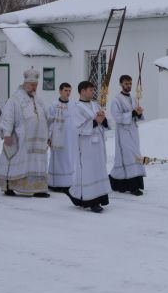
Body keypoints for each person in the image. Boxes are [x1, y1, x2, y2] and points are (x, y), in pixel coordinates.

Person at [0, 67, 50, 198]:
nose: (34, 87)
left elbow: (45, 117)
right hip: (20, 138)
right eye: (32, 85)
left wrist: (48, 135)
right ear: (25, 84)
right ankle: (10, 186)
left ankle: (38, 189)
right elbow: (8, 116)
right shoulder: (15, 99)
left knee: (37, 161)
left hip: (38, 139)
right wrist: (7, 134)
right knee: (16, 160)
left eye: (36, 85)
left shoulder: (39, 100)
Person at [66, 81, 112, 213]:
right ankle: (91, 201)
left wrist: (103, 119)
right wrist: (95, 121)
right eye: (90, 90)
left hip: (98, 144)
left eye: (93, 90)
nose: (93, 92)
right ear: (82, 91)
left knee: (98, 170)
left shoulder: (95, 105)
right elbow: (78, 127)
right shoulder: (76, 108)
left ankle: (98, 198)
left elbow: (105, 122)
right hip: (85, 146)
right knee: (88, 172)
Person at [108, 74, 146, 195]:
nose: (128, 86)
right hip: (123, 133)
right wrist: (132, 113)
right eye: (126, 84)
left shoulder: (134, 99)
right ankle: (132, 187)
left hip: (133, 133)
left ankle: (134, 184)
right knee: (128, 157)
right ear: (121, 84)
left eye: (130, 83)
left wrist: (138, 113)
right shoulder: (116, 100)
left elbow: (136, 116)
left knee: (135, 156)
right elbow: (117, 117)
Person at [46, 82, 76, 192]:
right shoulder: (53, 105)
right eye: (65, 90)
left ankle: (68, 183)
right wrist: (49, 137)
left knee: (69, 159)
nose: (68, 93)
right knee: (57, 160)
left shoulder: (73, 104)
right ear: (60, 91)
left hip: (70, 138)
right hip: (58, 138)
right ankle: (55, 183)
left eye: (69, 90)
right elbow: (49, 123)